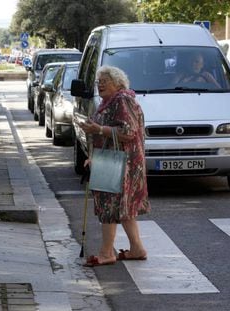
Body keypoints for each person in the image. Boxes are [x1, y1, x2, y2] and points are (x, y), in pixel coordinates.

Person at [79, 66, 151, 267]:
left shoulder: (122, 100)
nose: (100, 84)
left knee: (109, 205)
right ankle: (137, 249)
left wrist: (99, 129)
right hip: (111, 159)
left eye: (105, 80)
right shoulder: (107, 103)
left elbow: (128, 131)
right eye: (98, 81)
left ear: (118, 83)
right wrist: (92, 153)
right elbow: (101, 132)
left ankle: (106, 253)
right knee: (123, 207)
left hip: (120, 162)